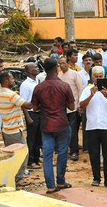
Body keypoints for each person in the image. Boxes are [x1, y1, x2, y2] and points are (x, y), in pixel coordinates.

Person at [32, 58, 76, 193]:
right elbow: (72, 106)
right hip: (62, 123)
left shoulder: (39, 87)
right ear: (57, 68)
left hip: (46, 125)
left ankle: (50, 185)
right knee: (62, 153)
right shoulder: (64, 86)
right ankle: (61, 181)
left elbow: (34, 108)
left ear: (44, 70)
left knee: (47, 155)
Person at [79, 65, 107, 187]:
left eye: (100, 76)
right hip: (92, 125)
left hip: (106, 125)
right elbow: (81, 105)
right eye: (96, 77)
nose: (98, 79)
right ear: (92, 77)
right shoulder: (88, 89)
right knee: (94, 153)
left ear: (104, 77)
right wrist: (91, 95)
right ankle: (96, 178)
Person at [0, 71, 31, 184]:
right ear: (6, 81)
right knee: (23, 154)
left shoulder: (0, 93)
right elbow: (27, 105)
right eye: (11, 78)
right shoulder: (11, 95)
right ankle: (18, 179)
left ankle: (11, 177)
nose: (13, 80)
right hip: (14, 129)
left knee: (12, 155)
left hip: (7, 129)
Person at [58, 53, 87, 160]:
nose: (61, 66)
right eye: (60, 64)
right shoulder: (58, 76)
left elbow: (80, 90)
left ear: (67, 64)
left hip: (74, 108)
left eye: (63, 63)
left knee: (73, 131)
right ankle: (66, 150)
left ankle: (74, 152)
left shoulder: (74, 74)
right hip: (62, 109)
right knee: (63, 131)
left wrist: (80, 105)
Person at [19, 61, 42, 167]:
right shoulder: (25, 85)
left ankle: (37, 158)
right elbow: (22, 103)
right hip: (31, 113)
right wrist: (27, 117)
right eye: (35, 67)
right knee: (31, 138)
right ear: (29, 71)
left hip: (39, 112)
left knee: (39, 137)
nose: (37, 68)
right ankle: (31, 160)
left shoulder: (37, 81)